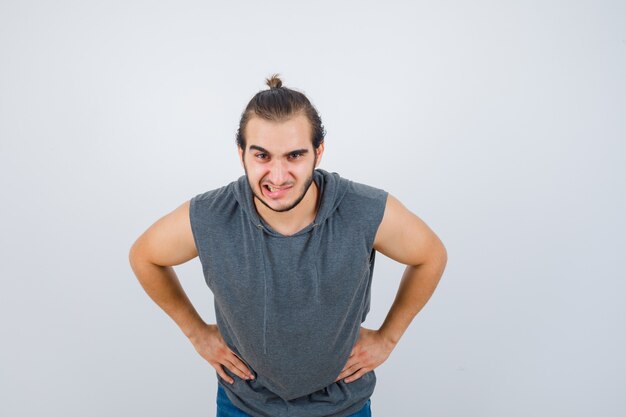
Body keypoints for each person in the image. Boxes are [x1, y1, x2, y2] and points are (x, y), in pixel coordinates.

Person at [129, 74, 447, 417]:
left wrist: (388, 338)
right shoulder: (211, 215)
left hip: (343, 407)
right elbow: (144, 256)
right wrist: (197, 334)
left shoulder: (363, 209)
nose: (278, 176)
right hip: (244, 405)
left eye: (294, 155)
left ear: (318, 152)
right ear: (242, 154)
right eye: (262, 155)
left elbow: (430, 256)